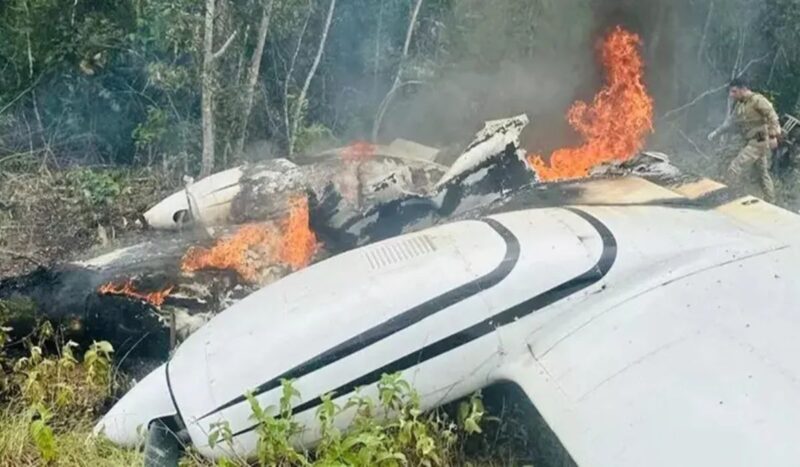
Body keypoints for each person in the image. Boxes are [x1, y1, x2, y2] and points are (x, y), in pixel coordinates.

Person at [708, 78, 781, 202]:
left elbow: (772, 116)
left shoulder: (758, 100)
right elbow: (731, 122)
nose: (732, 95)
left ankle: (732, 198)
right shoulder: (741, 104)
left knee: (735, 168)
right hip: (751, 140)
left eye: (734, 91)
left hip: (759, 140)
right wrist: (716, 133)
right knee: (762, 174)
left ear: (743, 89)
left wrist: (773, 136)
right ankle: (771, 201)